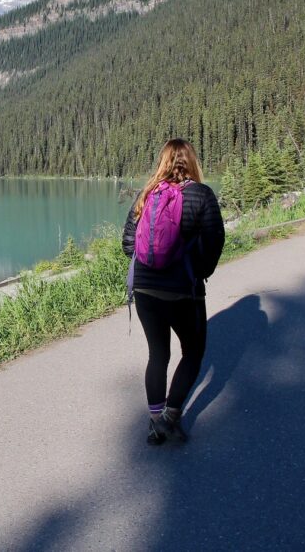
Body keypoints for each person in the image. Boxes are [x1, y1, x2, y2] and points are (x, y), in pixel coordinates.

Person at [122, 138, 225, 445]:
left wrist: (151, 265)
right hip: (184, 290)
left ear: (162, 162)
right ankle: (169, 417)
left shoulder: (146, 195)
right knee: (193, 352)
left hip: (145, 287)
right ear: (192, 161)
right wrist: (200, 271)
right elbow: (215, 240)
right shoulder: (202, 195)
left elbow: (128, 244)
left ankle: (156, 423)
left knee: (158, 354)